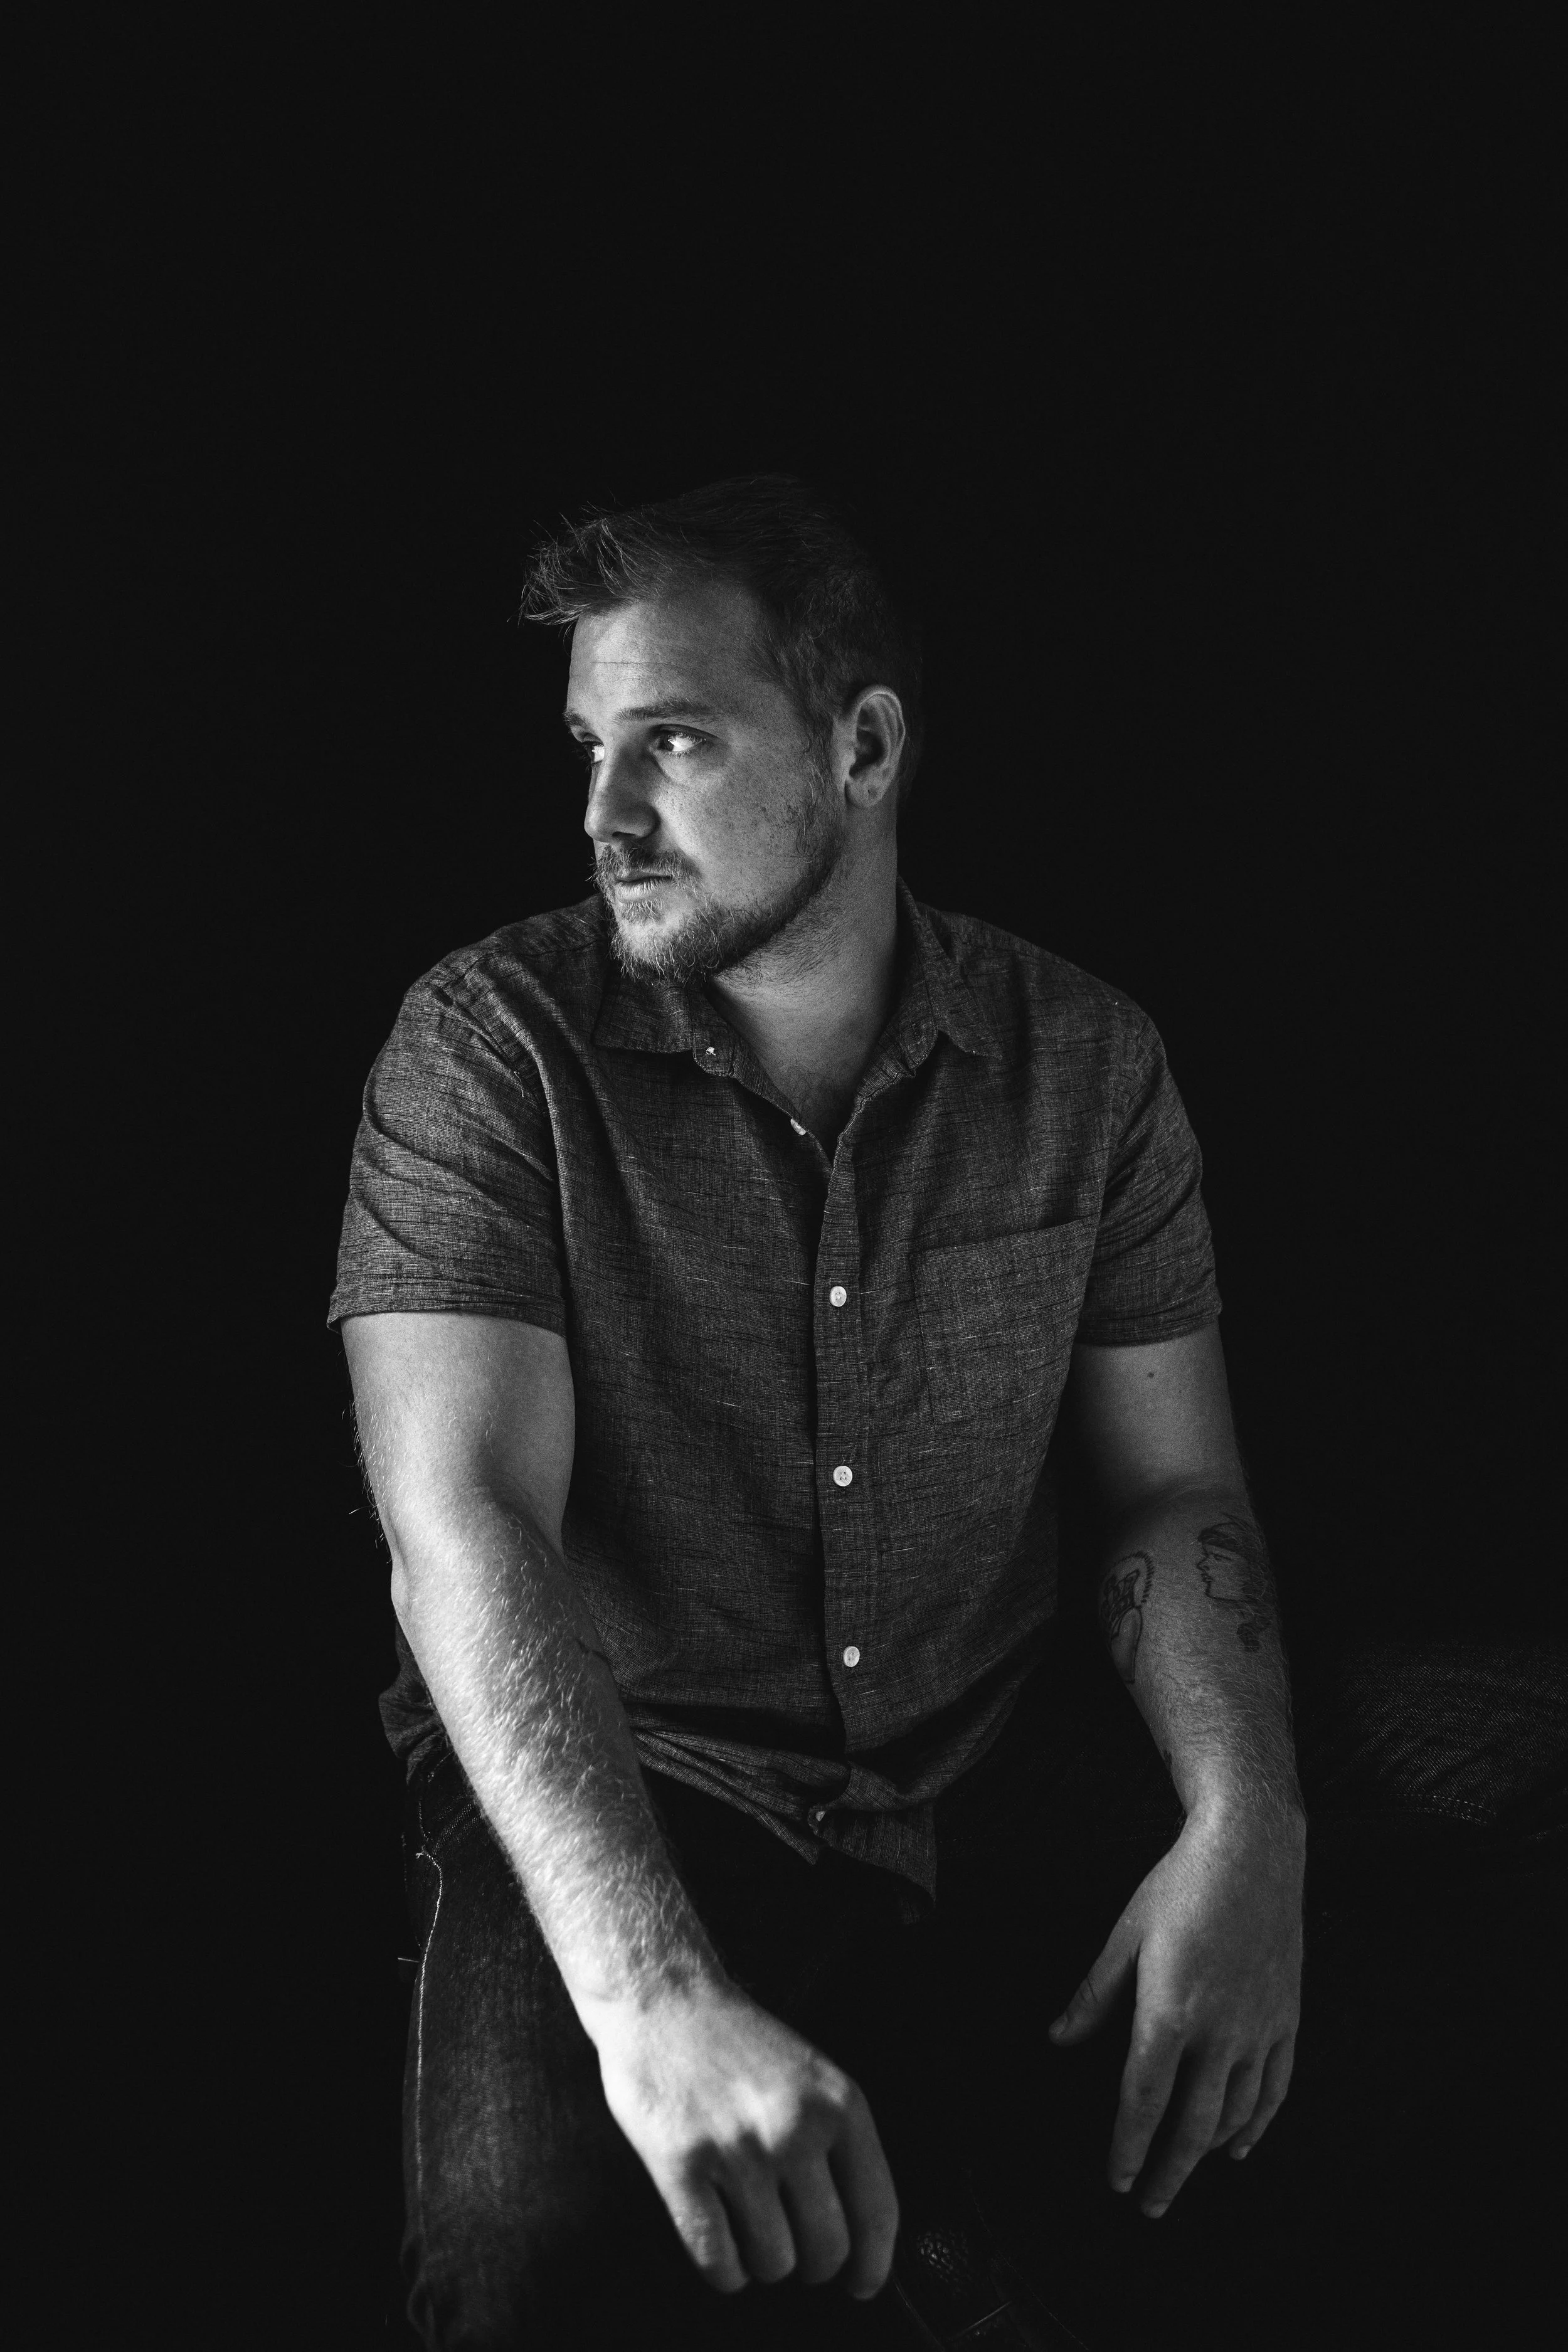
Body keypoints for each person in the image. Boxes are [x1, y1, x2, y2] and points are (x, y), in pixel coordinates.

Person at [331, 475, 1314, 2349]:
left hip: (990, 1757)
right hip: (652, 1777)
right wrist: (650, 2003)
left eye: (673, 743)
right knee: (528, 2261)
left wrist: (1245, 1822)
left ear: (862, 746)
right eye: (589, 746)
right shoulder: (489, 1050)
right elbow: (460, 1525)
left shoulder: (1083, 1060)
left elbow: (1173, 1485)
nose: (603, 814)